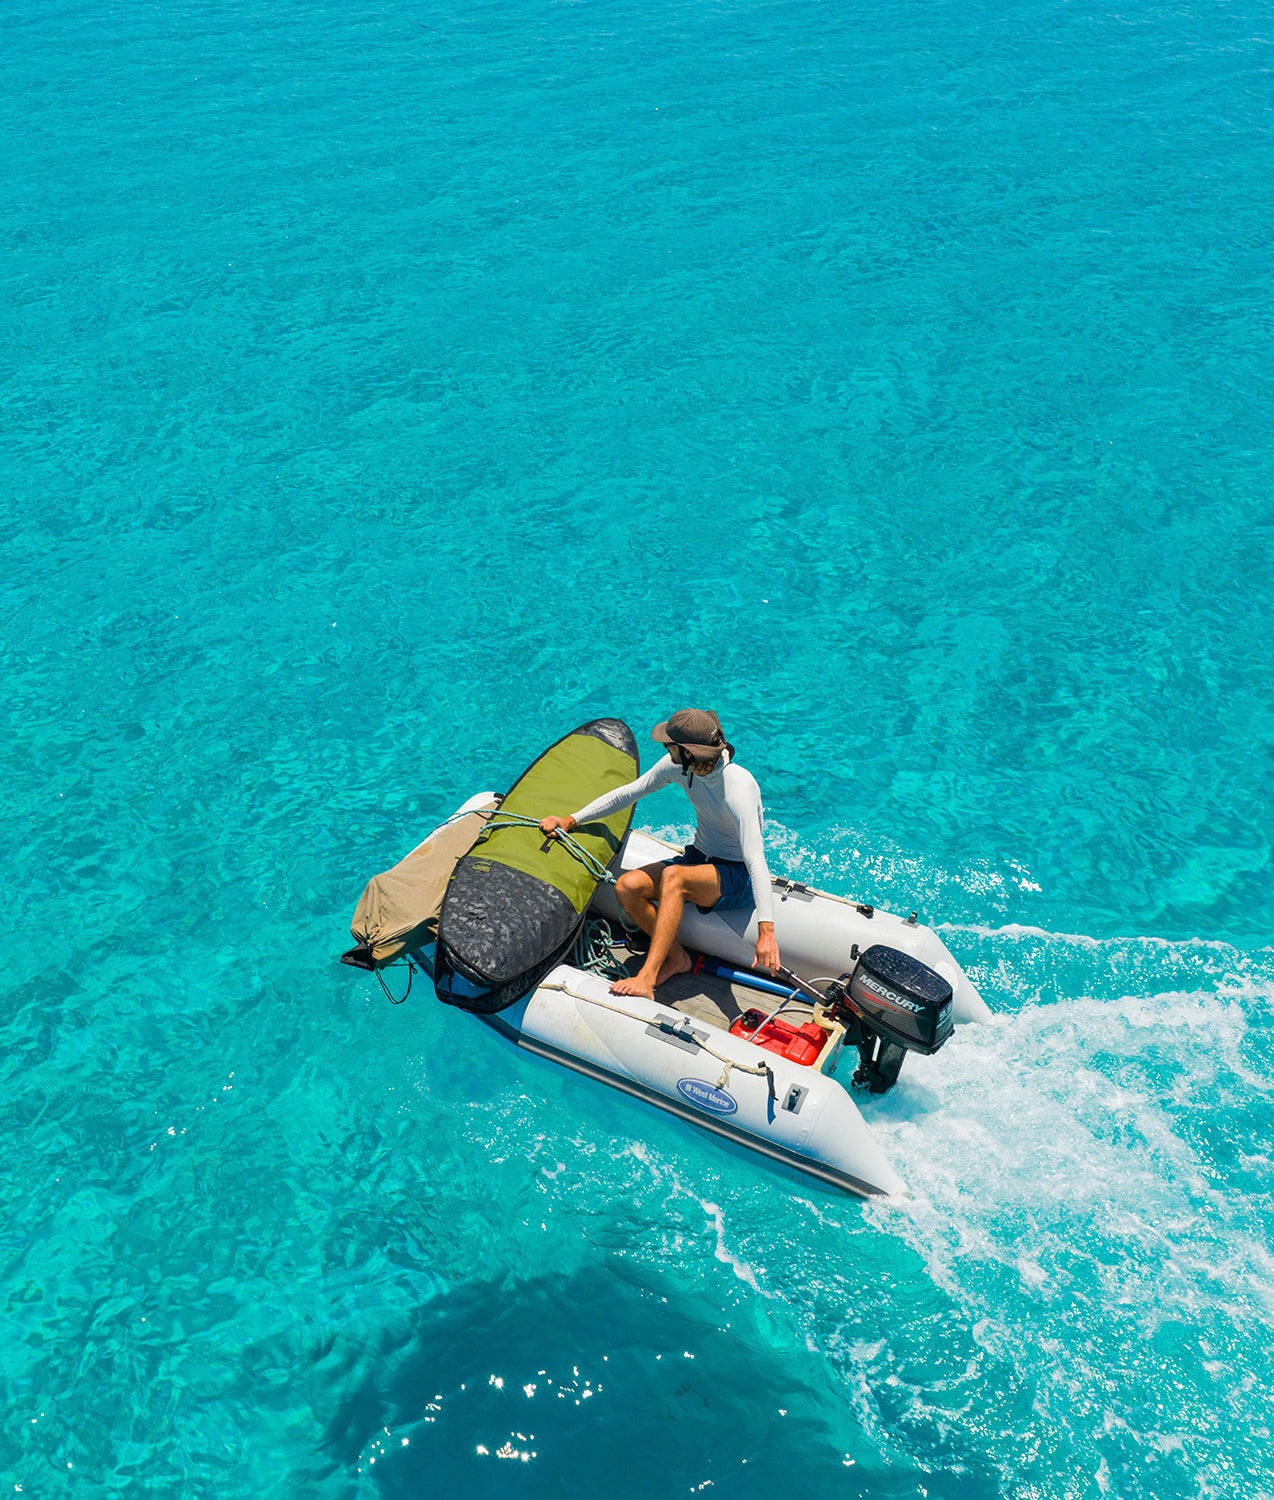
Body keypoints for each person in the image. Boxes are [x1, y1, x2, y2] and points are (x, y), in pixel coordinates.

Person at [539, 709, 779, 999]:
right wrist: (572, 820)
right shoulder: (678, 766)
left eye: (671, 745)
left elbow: (756, 860)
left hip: (735, 875)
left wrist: (766, 931)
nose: (666, 748)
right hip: (698, 858)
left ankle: (647, 977)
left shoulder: (738, 787)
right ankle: (677, 959)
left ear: (689, 752)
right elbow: (628, 793)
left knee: (674, 877)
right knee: (628, 887)